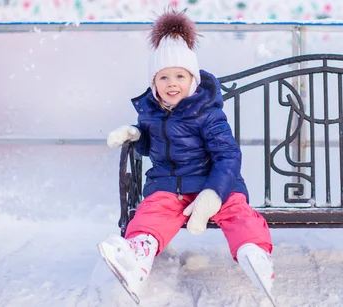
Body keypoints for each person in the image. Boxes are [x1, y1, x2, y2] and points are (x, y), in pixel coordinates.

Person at [98, 10, 275, 302]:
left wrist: (214, 193)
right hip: (170, 186)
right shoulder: (152, 113)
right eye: (164, 77)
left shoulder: (207, 113)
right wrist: (136, 134)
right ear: (154, 84)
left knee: (238, 212)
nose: (172, 83)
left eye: (180, 75)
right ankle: (138, 253)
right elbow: (154, 144)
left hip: (213, 183)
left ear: (192, 80)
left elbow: (228, 155)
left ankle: (254, 252)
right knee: (153, 211)